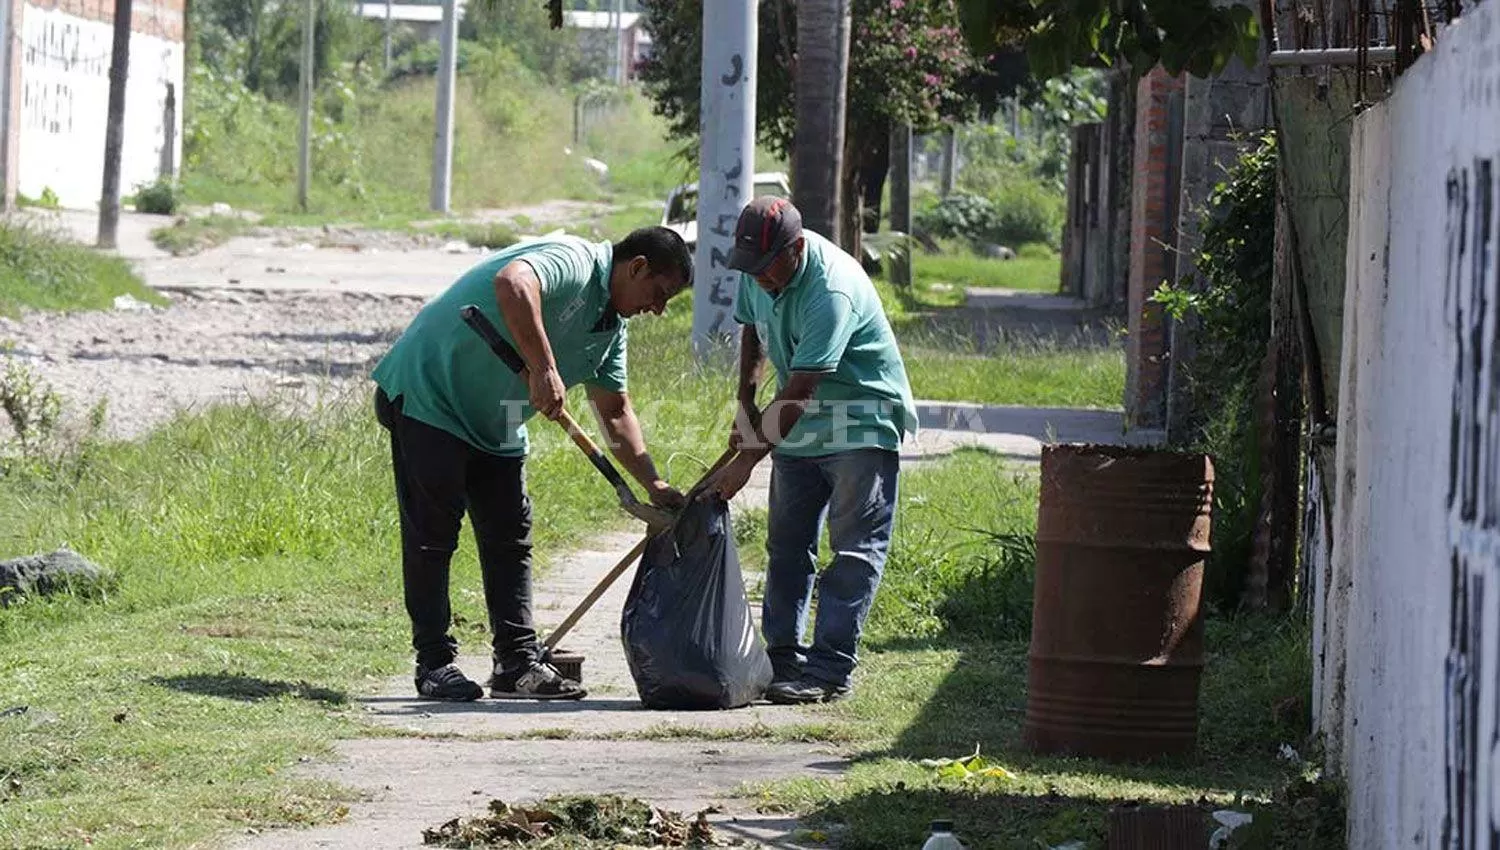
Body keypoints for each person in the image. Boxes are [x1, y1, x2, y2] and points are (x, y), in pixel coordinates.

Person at [371, 227, 693, 702]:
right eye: (659, 292)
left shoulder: (609, 335)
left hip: (497, 419)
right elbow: (513, 283)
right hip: (431, 393)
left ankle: (516, 664)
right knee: (433, 536)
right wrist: (543, 368)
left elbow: (616, 412)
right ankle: (435, 664)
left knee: (510, 537)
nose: (658, 308)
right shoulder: (575, 260)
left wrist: (653, 482)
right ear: (637, 267)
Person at [702, 197, 917, 705]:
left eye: (768, 269)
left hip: (859, 422)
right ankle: (782, 661)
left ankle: (828, 669)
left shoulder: (832, 288)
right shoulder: (759, 269)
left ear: (795, 249)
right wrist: (745, 403)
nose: (759, 280)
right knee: (787, 547)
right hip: (799, 425)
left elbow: (800, 389)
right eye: (750, 270)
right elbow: (752, 328)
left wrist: (745, 462)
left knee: (852, 552)